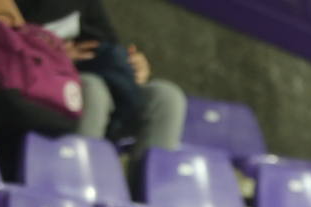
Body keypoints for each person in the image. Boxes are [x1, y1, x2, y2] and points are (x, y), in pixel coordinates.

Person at [13, 0, 185, 165]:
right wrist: (54, 56)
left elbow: (107, 44)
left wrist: (133, 65)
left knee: (166, 97)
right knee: (92, 89)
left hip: (77, 74)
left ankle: (144, 191)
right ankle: (74, 180)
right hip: (28, 79)